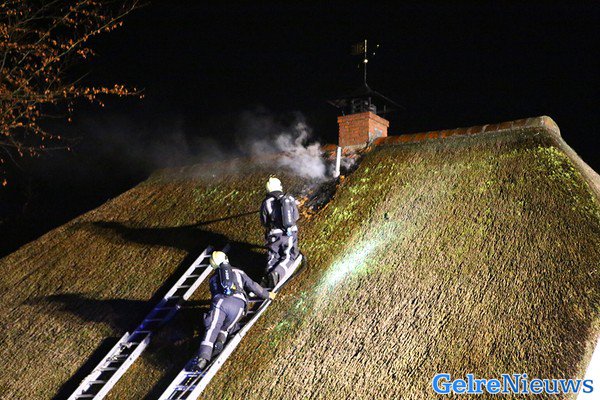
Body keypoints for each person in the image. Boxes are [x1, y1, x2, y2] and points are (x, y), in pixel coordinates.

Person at [191, 251, 275, 371]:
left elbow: (215, 296)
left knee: (212, 328)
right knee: (226, 328)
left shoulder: (212, 279)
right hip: (239, 305)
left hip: (221, 303)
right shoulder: (239, 272)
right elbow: (253, 286)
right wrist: (268, 295)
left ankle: (203, 358)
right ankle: (220, 341)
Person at [260, 177, 300, 288]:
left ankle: (266, 277)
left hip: (273, 234)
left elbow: (264, 222)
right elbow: (296, 216)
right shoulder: (289, 198)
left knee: (273, 255)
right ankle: (277, 274)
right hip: (289, 234)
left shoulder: (266, 202)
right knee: (289, 255)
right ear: (280, 186)